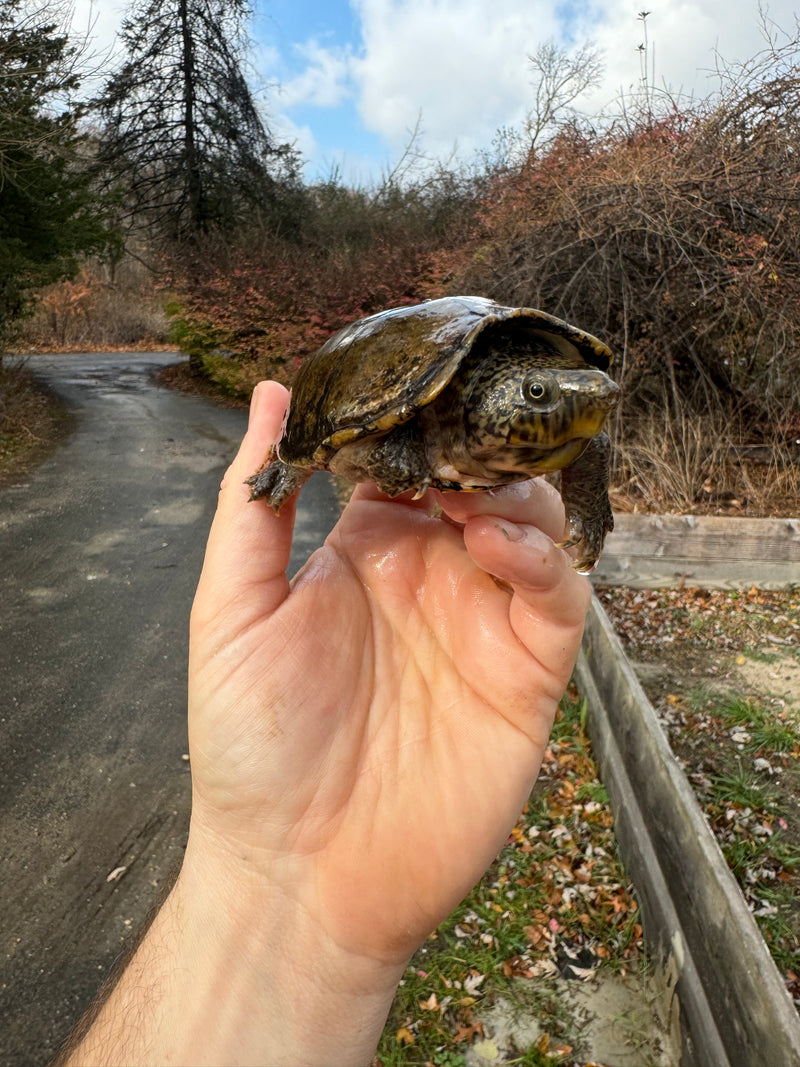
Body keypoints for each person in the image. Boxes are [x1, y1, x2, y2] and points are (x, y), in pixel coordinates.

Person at [58, 379, 591, 1066]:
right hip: (382, 414)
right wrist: (265, 871)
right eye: (539, 393)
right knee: (407, 467)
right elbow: (383, 444)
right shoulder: (405, 443)